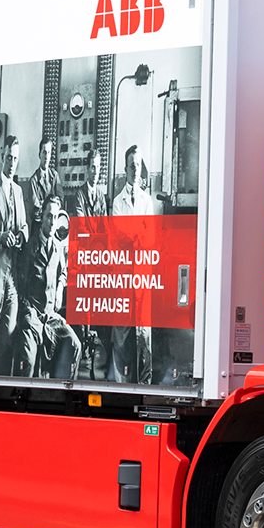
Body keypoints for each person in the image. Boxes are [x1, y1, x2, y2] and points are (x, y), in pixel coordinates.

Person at [15, 194, 82, 379]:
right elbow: (20, 284)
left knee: (75, 345)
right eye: (49, 216)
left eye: (55, 216)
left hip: (51, 316)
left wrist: (60, 287)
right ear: (42, 217)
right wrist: (28, 313)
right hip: (33, 315)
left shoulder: (58, 248)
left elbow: (63, 272)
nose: (52, 222)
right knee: (29, 361)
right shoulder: (30, 247)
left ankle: (65, 391)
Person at [109, 145, 154, 384]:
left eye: (138, 165)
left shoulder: (147, 201)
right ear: (125, 169)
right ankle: (122, 383)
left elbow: (150, 236)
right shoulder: (118, 202)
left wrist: (134, 235)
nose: (135, 170)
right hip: (124, 273)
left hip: (142, 273)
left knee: (143, 332)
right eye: (131, 166)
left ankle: (144, 383)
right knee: (122, 330)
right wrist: (138, 234)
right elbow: (120, 236)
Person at [0, 134, 28, 375]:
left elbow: (25, 226)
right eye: (9, 158)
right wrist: (1, 237)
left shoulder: (19, 192)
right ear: (2, 157)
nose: (12, 163)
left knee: (9, 331)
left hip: (13, 274)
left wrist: (22, 235)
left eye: (15, 159)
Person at [69, 148, 109, 379]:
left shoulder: (101, 197)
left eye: (98, 168)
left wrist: (99, 243)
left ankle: (96, 350)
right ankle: (84, 348)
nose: (95, 172)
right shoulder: (78, 196)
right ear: (86, 169)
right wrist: (97, 241)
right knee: (84, 305)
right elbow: (83, 229)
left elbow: (105, 228)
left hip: (98, 259)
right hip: (84, 259)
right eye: (92, 167)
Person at [25, 136, 59, 237]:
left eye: (49, 152)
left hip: (52, 228)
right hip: (38, 230)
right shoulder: (33, 180)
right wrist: (51, 207)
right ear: (39, 154)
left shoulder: (55, 176)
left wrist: (44, 205)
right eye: (44, 152)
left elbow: (60, 200)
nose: (46, 156)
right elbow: (34, 211)